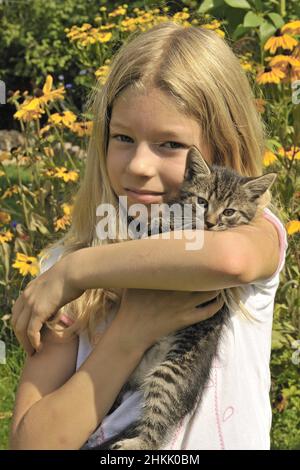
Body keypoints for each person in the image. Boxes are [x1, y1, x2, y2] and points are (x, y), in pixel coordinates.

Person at [9, 21, 287, 450]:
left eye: (170, 144)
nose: (139, 165)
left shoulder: (253, 229)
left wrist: (76, 273)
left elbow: (229, 260)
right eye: (122, 137)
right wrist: (130, 330)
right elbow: (32, 443)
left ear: (222, 150)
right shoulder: (67, 260)